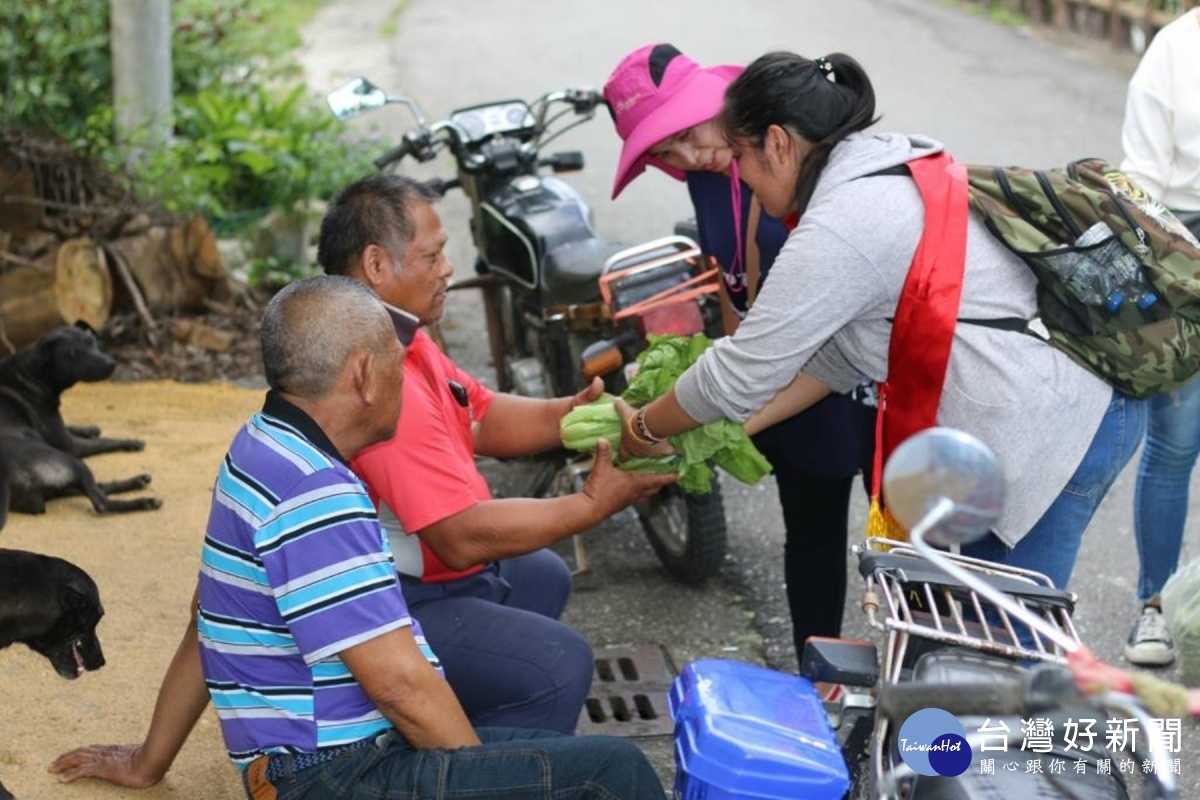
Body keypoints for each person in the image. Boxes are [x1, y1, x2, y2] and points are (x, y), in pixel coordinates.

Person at [48, 181, 676, 789]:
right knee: (611, 769)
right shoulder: (319, 497)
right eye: (398, 363)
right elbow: (401, 687)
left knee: (568, 732)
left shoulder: (258, 444)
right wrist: (482, 782)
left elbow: (210, 616)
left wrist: (148, 760)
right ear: (364, 376)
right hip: (329, 771)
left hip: (332, 750)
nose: (413, 371)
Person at [613, 50, 1147, 593]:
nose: (742, 178)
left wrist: (642, 429)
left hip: (1057, 431)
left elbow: (739, 370)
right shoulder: (870, 168)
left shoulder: (843, 224)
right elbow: (835, 361)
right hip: (1043, 415)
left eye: (743, 161)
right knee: (971, 624)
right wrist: (708, 430)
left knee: (1007, 637)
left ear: (777, 144)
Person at [316, 174, 674, 732]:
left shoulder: (399, 334)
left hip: (425, 574)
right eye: (432, 255)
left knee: (544, 576)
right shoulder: (377, 377)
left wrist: (573, 413)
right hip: (390, 602)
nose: (448, 269)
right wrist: (592, 505)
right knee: (560, 664)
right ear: (376, 266)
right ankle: (481, 765)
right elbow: (459, 539)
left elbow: (476, 412)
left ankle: (469, 719)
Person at [602, 44, 874, 670]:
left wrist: (656, 423)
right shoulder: (708, 174)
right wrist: (722, 383)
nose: (691, 155)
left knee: (910, 536)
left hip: (866, 363)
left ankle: (935, 702)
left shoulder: (792, 138)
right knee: (812, 528)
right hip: (787, 380)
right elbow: (732, 286)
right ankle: (820, 682)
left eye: (688, 133)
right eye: (666, 152)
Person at [1119, 6, 1200, 667]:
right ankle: (1156, 608)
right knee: (1175, 444)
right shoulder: (1174, 51)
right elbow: (1140, 180)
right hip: (1182, 250)